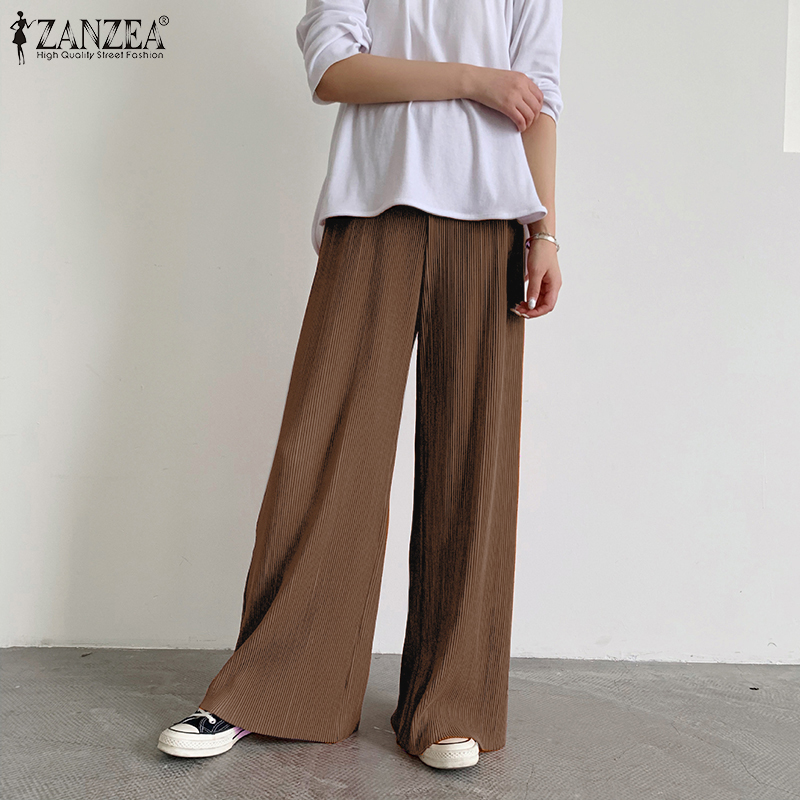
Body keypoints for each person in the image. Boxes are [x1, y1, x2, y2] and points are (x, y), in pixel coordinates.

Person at [157, 0, 563, 771]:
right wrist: (474, 80)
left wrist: (545, 233)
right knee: (326, 451)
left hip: (493, 217)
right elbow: (333, 69)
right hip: (375, 201)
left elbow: (540, 100)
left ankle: (451, 704)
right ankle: (271, 690)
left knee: (473, 463)